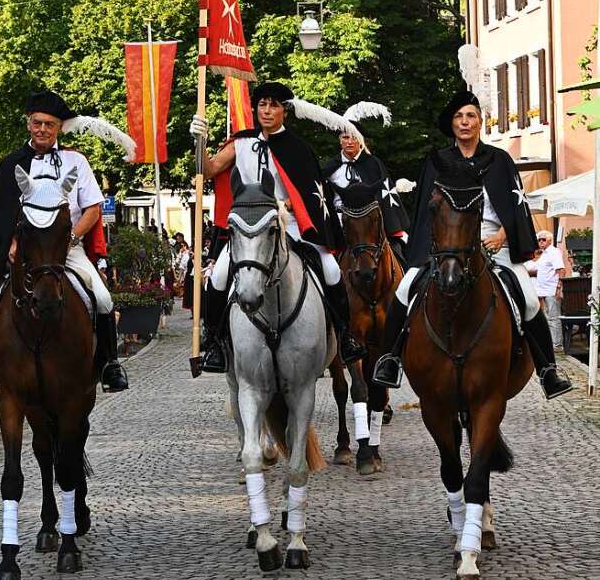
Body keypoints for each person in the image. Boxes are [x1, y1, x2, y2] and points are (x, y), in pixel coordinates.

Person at [372, 89, 572, 399]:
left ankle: (548, 371)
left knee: (530, 300)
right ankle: (389, 359)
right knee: (404, 288)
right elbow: (428, 209)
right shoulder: (437, 161)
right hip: (445, 246)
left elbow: (515, 207)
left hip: (494, 242)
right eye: (459, 117)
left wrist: (502, 236)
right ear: (451, 124)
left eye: (471, 117)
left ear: (480, 123)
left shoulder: (499, 160)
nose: (465, 122)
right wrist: (433, 248)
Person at [0, 89, 134, 394]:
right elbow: (2, 212)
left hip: (68, 249)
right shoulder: (12, 163)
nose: (42, 129)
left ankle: (109, 363)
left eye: (49, 125)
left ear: (59, 128)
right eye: (37, 123)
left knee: (104, 298)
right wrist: (11, 245)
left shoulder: (76, 161)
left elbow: (93, 209)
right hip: (25, 253)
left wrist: (71, 237)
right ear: (29, 124)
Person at [190, 81, 366, 373]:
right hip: (248, 228)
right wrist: (200, 141)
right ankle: (215, 342)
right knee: (218, 275)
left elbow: (310, 197)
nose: (267, 111)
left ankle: (344, 335)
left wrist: (285, 208)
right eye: (262, 105)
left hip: (291, 226)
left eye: (273, 105)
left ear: (284, 111)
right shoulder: (241, 142)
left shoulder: (298, 149)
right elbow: (207, 169)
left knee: (331, 268)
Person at [322, 110, 411, 264]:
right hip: (340, 220)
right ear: (340, 141)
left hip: (370, 220)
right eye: (345, 137)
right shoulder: (329, 168)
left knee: (402, 248)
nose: (350, 142)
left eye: (354, 138)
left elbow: (385, 193)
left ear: (361, 141)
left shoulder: (373, 164)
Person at [527, 231, 568, 353]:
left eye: (543, 239)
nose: (540, 242)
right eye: (539, 240)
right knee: (546, 317)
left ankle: (557, 345)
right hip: (542, 290)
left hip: (551, 290)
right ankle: (551, 342)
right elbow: (539, 270)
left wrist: (559, 287)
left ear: (550, 240)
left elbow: (561, 270)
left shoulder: (554, 252)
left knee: (554, 317)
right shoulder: (544, 254)